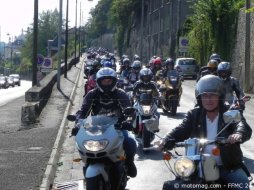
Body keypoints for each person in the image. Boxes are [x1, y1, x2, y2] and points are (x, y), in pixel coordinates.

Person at [158, 74, 252, 189]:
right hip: (197, 165)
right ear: (200, 98)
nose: (208, 99)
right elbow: (181, 129)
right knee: (174, 186)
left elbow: (241, 124)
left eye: (212, 95)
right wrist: (165, 139)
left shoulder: (228, 112)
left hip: (227, 167)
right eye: (205, 96)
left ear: (220, 96)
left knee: (242, 185)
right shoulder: (194, 114)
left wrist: (238, 133)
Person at [71, 67, 137, 178]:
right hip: (95, 128)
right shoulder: (92, 94)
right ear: (98, 82)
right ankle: (87, 163)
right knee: (82, 144)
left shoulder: (120, 94)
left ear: (114, 81)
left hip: (118, 127)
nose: (106, 83)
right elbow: (82, 112)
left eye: (109, 81)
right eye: (104, 81)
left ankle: (129, 163)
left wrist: (128, 121)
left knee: (130, 142)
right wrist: (78, 123)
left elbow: (129, 110)